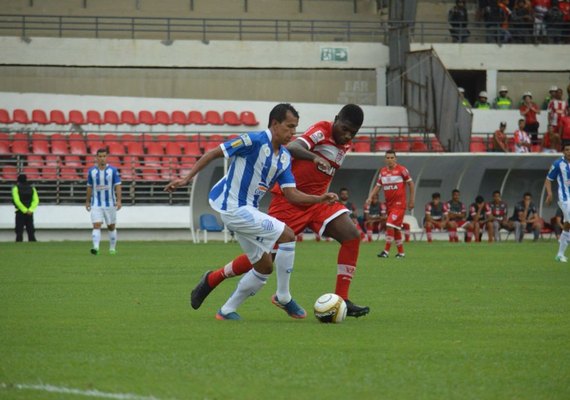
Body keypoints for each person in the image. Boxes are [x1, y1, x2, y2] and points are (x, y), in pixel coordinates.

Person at [186, 104, 370, 319]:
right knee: (264, 261)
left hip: (317, 202)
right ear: (336, 119)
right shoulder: (322, 130)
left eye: (353, 133)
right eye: (344, 129)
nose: (347, 136)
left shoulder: (344, 145)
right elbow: (294, 147)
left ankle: (342, 298)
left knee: (352, 236)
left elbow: (320, 174)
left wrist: (322, 196)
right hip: (289, 202)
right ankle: (215, 278)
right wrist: (314, 157)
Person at [366, 150, 415, 258]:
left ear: (395, 159)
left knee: (389, 224)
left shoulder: (402, 170)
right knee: (396, 228)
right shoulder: (383, 171)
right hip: (390, 205)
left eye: (392, 158)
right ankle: (401, 253)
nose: (390, 160)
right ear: (385, 159)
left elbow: (411, 184)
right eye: (388, 158)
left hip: (399, 204)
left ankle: (386, 251)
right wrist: (370, 197)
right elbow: (378, 186)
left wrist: (411, 200)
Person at [85, 148, 122, 255]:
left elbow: (118, 186)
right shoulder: (92, 171)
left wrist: (119, 201)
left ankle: (112, 248)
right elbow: (89, 186)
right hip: (96, 202)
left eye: (104, 156)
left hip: (110, 203)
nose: (102, 158)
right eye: (100, 156)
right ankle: (95, 248)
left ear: (107, 157)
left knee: (111, 226)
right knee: (96, 225)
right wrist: (87, 201)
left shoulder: (113, 170)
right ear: (96, 157)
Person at [545, 144, 570, 261]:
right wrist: (549, 193)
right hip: (565, 199)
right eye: (567, 149)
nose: (569, 151)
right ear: (563, 151)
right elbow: (548, 179)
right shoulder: (558, 164)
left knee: (567, 226)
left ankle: (560, 254)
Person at [11, 174, 39, 242]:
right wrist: (30, 210)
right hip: (30, 212)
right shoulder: (32, 188)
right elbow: (36, 200)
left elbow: (17, 201)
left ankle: (19, 242)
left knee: (19, 230)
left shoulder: (15, 188)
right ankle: (32, 242)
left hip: (20, 212)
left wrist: (24, 210)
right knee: (31, 230)